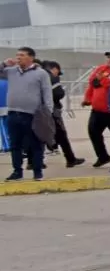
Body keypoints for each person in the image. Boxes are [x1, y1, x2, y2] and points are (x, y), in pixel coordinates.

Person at [2, 47, 54, 181]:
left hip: (33, 115)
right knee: (15, 145)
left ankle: (37, 171)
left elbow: (47, 93)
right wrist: (4, 64)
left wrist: (48, 112)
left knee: (35, 144)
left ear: (31, 57)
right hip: (13, 114)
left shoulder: (41, 73)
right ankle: (17, 172)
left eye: (22, 55)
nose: (18, 57)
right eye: (17, 55)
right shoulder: (11, 71)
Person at [82, 49, 110, 167]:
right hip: (97, 110)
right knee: (93, 132)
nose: (109, 59)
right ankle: (103, 156)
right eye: (108, 57)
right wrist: (87, 98)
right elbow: (92, 83)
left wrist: (101, 80)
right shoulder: (101, 68)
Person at [44, 61, 85, 168]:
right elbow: (59, 93)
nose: (57, 75)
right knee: (61, 135)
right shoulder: (51, 77)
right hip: (52, 110)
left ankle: (33, 161)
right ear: (54, 69)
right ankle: (70, 159)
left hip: (38, 111)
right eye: (58, 72)